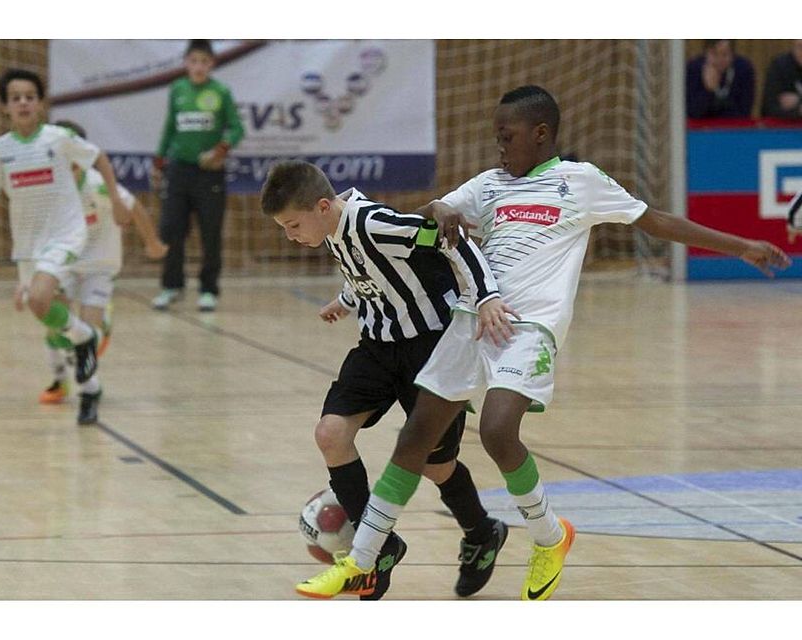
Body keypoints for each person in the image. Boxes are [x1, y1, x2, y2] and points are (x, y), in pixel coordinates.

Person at [296, 85, 791, 601]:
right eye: (496, 138)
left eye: (507, 138)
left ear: (541, 135)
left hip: (529, 326)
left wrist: (741, 246)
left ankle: (548, 539)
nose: (499, 148)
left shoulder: (580, 182)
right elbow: (428, 214)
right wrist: (438, 209)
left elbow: (656, 220)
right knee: (415, 438)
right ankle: (360, 561)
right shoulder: (488, 185)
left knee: (496, 430)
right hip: (471, 317)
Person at [261, 160, 518, 600]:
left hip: (430, 349)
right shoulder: (332, 226)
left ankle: (481, 531)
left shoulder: (374, 223)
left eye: (292, 225)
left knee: (435, 464)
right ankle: (378, 547)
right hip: (378, 347)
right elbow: (369, 270)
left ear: (324, 207)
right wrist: (346, 299)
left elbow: (453, 241)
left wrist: (488, 296)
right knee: (331, 433)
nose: (290, 235)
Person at [0, 68, 131, 406]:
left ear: (40, 103)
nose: (23, 103)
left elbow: (98, 157)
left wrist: (116, 199)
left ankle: (82, 347)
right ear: (5, 107)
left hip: (65, 233)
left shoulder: (58, 138)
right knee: (43, 310)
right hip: (28, 244)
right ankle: (89, 373)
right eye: (16, 98)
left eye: (30, 97)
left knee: (41, 296)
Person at [28, 119, 167, 425]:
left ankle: (90, 384)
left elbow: (134, 208)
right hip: (64, 263)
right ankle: (60, 380)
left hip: (98, 266)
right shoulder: (48, 188)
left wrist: (153, 242)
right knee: (54, 320)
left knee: (89, 335)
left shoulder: (98, 184)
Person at [152, 39, 245, 313]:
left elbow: (237, 129)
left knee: (210, 232)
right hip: (178, 169)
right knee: (171, 229)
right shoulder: (178, 89)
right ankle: (172, 286)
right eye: (194, 61)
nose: (198, 67)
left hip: (209, 174)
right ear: (186, 63)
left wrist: (221, 149)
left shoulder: (221, 92)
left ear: (212, 64)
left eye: (204, 61)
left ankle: (208, 289)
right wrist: (159, 158)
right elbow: (170, 126)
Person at [686, 40, 756, 119]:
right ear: (706, 53)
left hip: (733, 128)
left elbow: (744, 113)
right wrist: (708, 91)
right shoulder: (693, 69)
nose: (720, 60)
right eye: (714, 54)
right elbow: (692, 113)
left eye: (725, 54)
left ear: (732, 55)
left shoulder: (744, 69)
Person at [761, 40, 802, 120]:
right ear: (793, 47)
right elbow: (769, 109)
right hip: (782, 128)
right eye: (800, 47)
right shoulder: (779, 66)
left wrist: (798, 100)